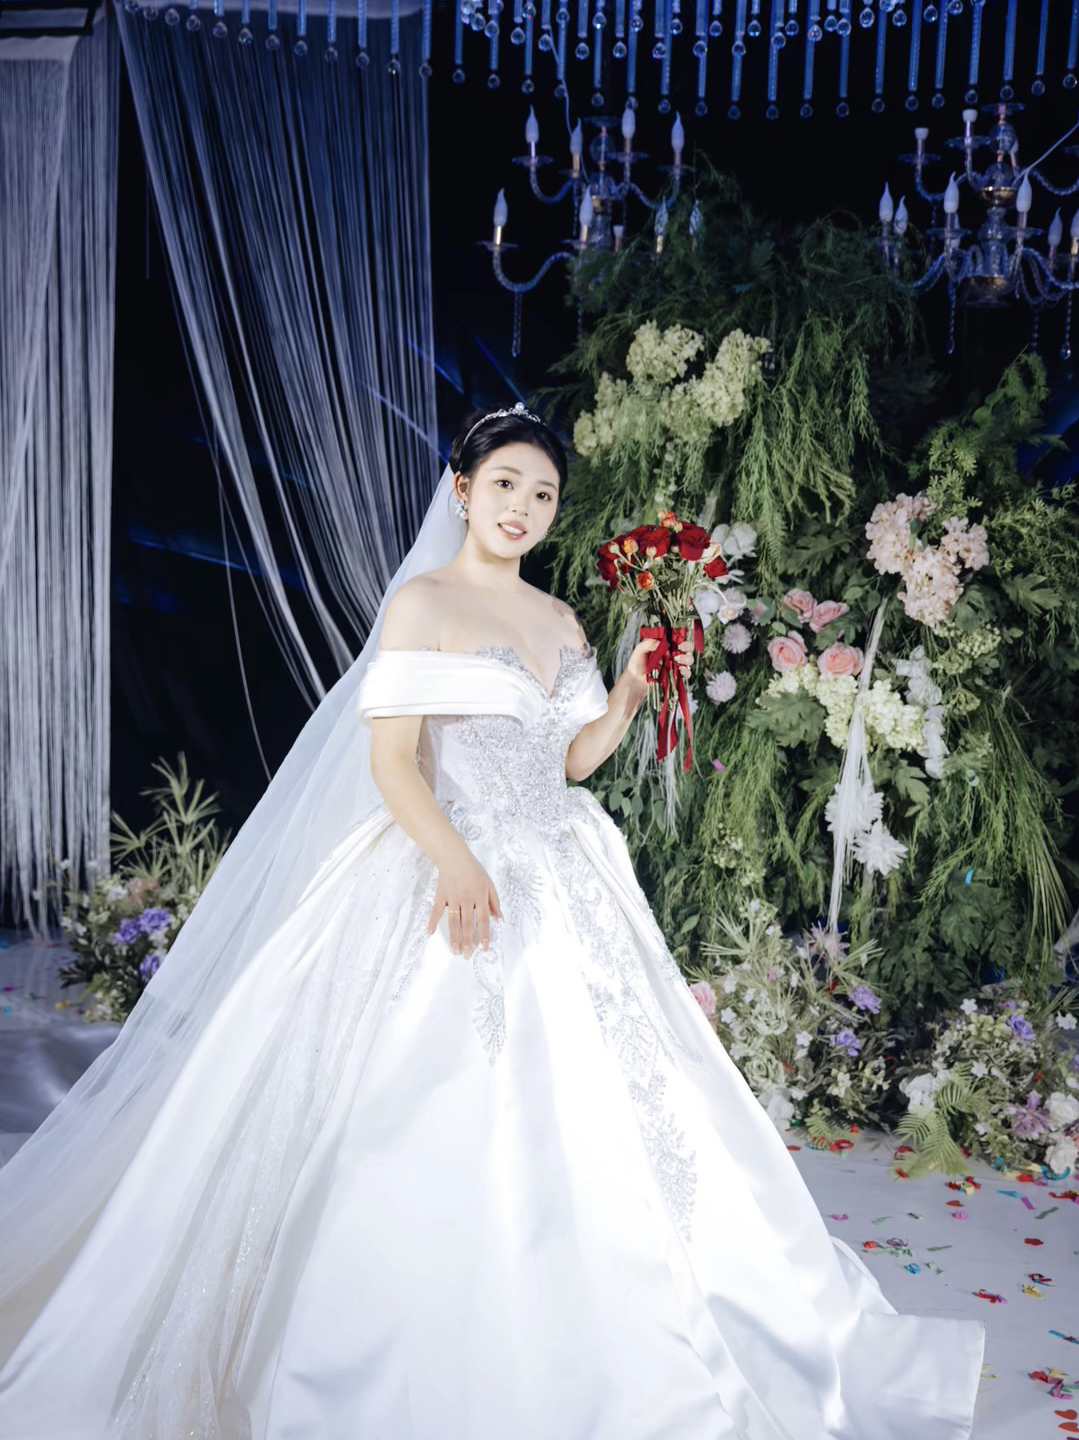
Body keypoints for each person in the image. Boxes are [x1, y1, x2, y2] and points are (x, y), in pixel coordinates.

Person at [0, 405, 985, 1440]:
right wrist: (456, 860)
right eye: (505, 484)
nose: (523, 506)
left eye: (543, 493)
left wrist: (626, 695)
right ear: (463, 489)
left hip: (565, 870)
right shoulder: (422, 603)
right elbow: (392, 762)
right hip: (449, 862)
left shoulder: (559, 618)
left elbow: (569, 760)